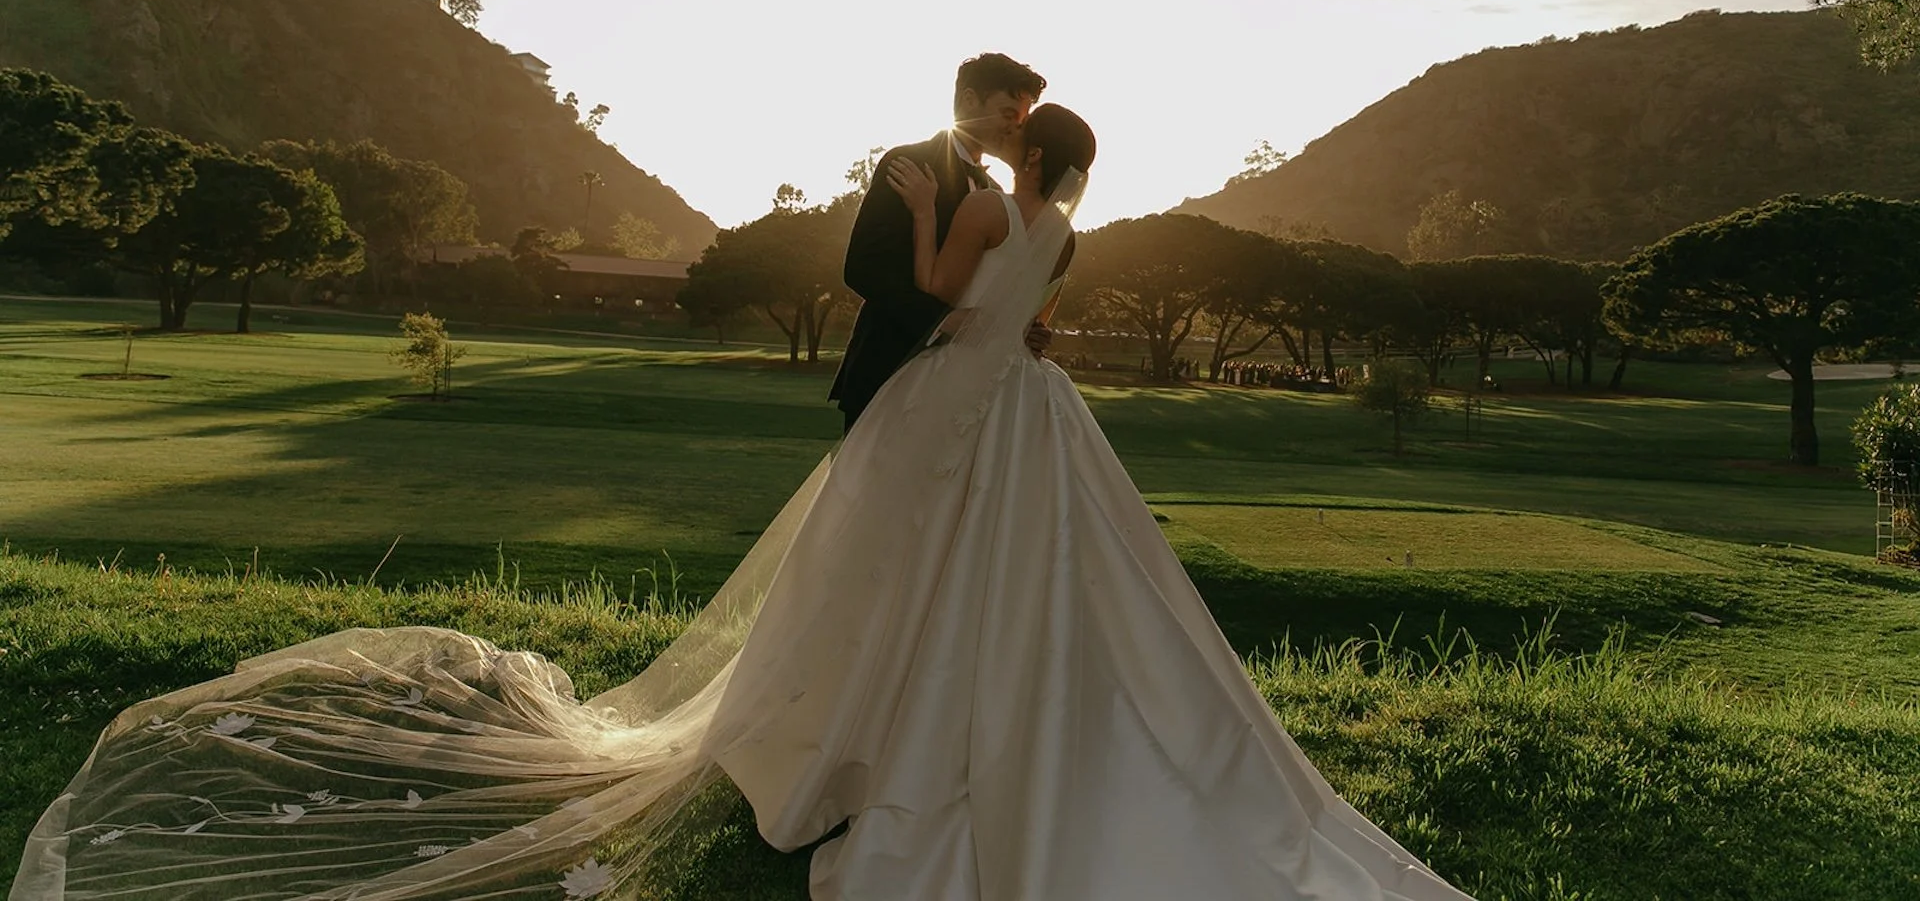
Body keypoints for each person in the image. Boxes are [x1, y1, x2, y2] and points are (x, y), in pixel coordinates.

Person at [12, 108, 1475, 901]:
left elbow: (952, 294)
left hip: (948, 394)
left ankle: (853, 725)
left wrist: (909, 207)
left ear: (1028, 159)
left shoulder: (984, 206)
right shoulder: (1077, 232)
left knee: (884, 555)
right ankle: (976, 713)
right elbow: (1030, 327)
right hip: (1030, 409)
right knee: (1020, 569)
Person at [829, 51, 1048, 433]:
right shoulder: (909, 161)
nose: (1014, 129)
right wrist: (944, 320)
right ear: (968, 101)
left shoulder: (994, 192)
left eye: (1022, 121)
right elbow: (863, 267)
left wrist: (1020, 326)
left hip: (960, 390)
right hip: (887, 370)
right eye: (1008, 114)